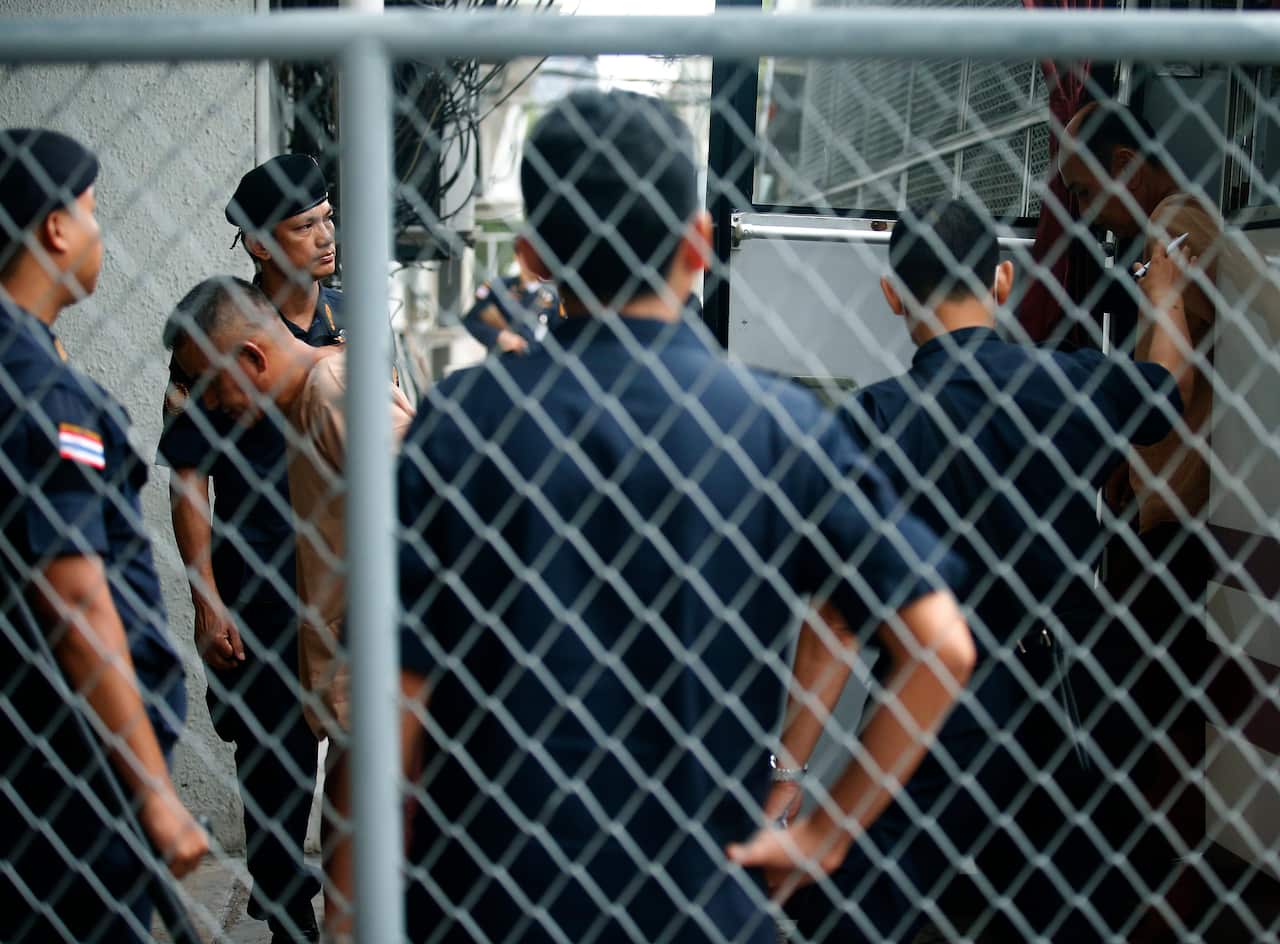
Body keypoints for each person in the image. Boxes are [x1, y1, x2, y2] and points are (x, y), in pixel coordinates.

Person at [392, 89, 976, 944]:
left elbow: (399, 704)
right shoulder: (779, 427)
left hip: (492, 901)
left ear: (534, 258)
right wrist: (823, 833)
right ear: (698, 245)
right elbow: (942, 645)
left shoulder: (463, 424)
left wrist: (359, 906)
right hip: (697, 907)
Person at [776, 198, 1192, 941]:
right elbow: (1167, 392)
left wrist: (787, 773)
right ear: (1002, 281)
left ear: (894, 295)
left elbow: (835, 622)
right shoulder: (1071, 385)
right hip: (1063, 703)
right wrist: (1161, 298)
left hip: (928, 708)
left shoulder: (874, 422)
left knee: (845, 907)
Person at [0, 127, 207, 942]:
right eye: (91, 213)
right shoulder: (38, 388)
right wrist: (156, 792)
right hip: (68, 764)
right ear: (55, 228)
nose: (98, 236)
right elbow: (76, 592)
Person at [163, 275, 415, 938]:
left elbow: (435, 517)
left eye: (214, 384)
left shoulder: (333, 395)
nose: (210, 404)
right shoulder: (309, 399)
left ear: (251, 359)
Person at [158, 153, 343, 942]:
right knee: (273, 769)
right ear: (261, 244)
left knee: (364, 758)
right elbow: (187, 479)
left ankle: (346, 903)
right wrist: (206, 597)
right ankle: (286, 913)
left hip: (339, 585)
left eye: (329, 217)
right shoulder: (215, 337)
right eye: (306, 226)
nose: (326, 236)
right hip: (259, 581)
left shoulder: (355, 319)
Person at [1059, 100, 1221, 937]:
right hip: (1167, 507)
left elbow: (1176, 379)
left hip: (1173, 515)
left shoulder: (1175, 224)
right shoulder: (1167, 224)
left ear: (1126, 162)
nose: (1088, 212)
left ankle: (1161, 906)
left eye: (1089, 189)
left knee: (1154, 724)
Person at [462, 238, 561, 355]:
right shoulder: (498, 286)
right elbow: (471, 320)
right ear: (517, 257)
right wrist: (499, 336)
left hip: (538, 360)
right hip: (503, 359)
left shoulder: (554, 295)